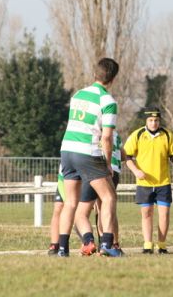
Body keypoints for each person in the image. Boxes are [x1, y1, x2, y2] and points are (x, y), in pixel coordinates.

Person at [57, 57, 121, 257]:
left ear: (96, 73)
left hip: (67, 149)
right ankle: (107, 245)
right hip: (88, 152)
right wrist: (108, 163)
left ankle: (61, 249)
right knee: (109, 197)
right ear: (112, 79)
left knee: (70, 202)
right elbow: (107, 137)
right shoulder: (108, 101)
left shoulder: (78, 94)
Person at [124, 107, 173, 254]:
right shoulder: (137, 135)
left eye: (156, 120)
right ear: (146, 121)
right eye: (151, 120)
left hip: (163, 182)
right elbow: (127, 157)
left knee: (164, 214)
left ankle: (162, 245)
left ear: (160, 120)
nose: (154, 123)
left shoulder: (167, 135)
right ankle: (147, 244)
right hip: (144, 183)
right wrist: (136, 171)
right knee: (146, 214)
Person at [74, 131, 124, 256]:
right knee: (106, 208)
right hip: (112, 171)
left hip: (95, 170)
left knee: (83, 212)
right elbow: (123, 154)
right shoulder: (114, 132)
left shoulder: (91, 129)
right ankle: (111, 244)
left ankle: (90, 242)